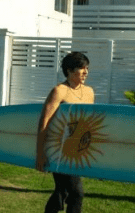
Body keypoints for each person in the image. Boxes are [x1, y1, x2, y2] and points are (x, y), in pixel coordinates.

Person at [36, 52, 94, 213]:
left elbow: (88, 124)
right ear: (69, 70)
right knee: (77, 193)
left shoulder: (89, 92)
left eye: (87, 68)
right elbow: (44, 122)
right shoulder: (59, 91)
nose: (86, 72)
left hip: (78, 150)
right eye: (81, 68)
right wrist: (41, 154)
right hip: (59, 149)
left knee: (62, 192)